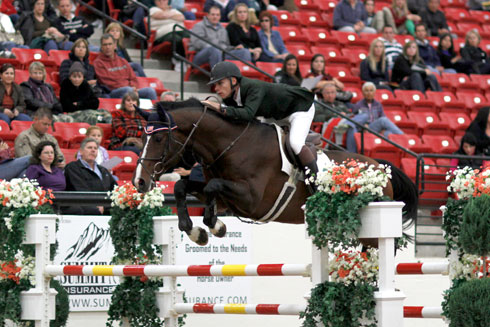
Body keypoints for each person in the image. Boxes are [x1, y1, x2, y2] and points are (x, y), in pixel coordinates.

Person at [201, 61, 317, 179]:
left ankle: (316, 182)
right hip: (277, 115)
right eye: (215, 84)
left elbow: (247, 114)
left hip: (299, 109)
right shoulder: (231, 96)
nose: (216, 88)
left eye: (220, 83)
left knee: (295, 143)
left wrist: (220, 108)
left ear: (234, 81)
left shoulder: (253, 87)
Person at [94, 34, 157, 100]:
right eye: (105, 45)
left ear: (115, 46)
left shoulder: (122, 61)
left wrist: (134, 88)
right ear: (101, 47)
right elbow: (107, 83)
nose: (108, 47)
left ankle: (154, 110)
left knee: (150, 91)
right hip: (113, 92)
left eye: (110, 44)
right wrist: (129, 88)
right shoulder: (98, 63)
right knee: (127, 90)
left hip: (129, 89)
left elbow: (133, 78)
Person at [345, 82, 403, 153]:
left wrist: (383, 129)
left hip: (375, 128)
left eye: (371, 90)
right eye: (366, 91)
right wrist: (363, 125)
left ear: (374, 92)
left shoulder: (378, 104)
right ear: (363, 93)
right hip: (364, 129)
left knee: (389, 133)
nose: (369, 93)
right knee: (383, 120)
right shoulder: (358, 105)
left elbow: (382, 117)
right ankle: (403, 137)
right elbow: (355, 120)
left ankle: (395, 152)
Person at [189, 5, 252, 70]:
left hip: (220, 54)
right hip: (201, 55)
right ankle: (219, 78)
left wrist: (234, 48)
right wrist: (215, 48)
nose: (215, 17)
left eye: (217, 15)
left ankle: (242, 77)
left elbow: (225, 46)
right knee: (213, 50)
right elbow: (197, 43)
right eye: (213, 14)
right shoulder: (199, 26)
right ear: (208, 15)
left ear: (220, 16)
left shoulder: (222, 29)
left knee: (244, 52)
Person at [65, 137, 116, 214]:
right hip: (84, 209)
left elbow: (115, 190)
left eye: (95, 148)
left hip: (105, 208)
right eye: (89, 147)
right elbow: (81, 190)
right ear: (81, 151)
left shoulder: (103, 170)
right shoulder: (73, 167)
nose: (93, 150)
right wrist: (97, 206)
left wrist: (105, 207)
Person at [150, 0, 187, 71]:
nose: (161, 2)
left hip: (180, 30)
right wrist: (172, 16)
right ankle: (178, 60)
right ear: (155, 2)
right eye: (159, 0)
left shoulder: (174, 10)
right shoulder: (153, 9)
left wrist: (166, 15)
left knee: (190, 37)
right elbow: (160, 15)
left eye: (164, 0)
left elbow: (181, 17)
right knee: (177, 39)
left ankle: (188, 61)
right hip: (164, 34)